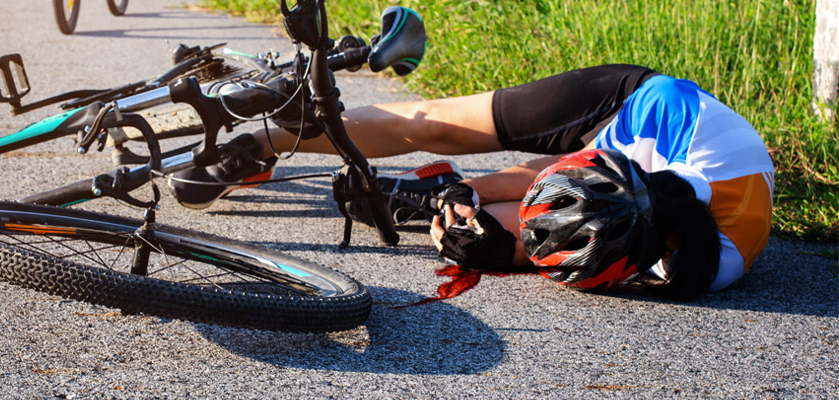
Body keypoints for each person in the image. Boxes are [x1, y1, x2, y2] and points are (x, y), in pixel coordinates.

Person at [168, 64, 774, 300]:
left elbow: (563, 240)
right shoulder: (653, 128)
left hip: (656, 178)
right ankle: (264, 138)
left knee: (502, 235)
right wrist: (475, 190)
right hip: (629, 106)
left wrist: (497, 248)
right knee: (435, 127)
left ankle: (435, 201)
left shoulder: (710, 265)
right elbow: (542, 177)